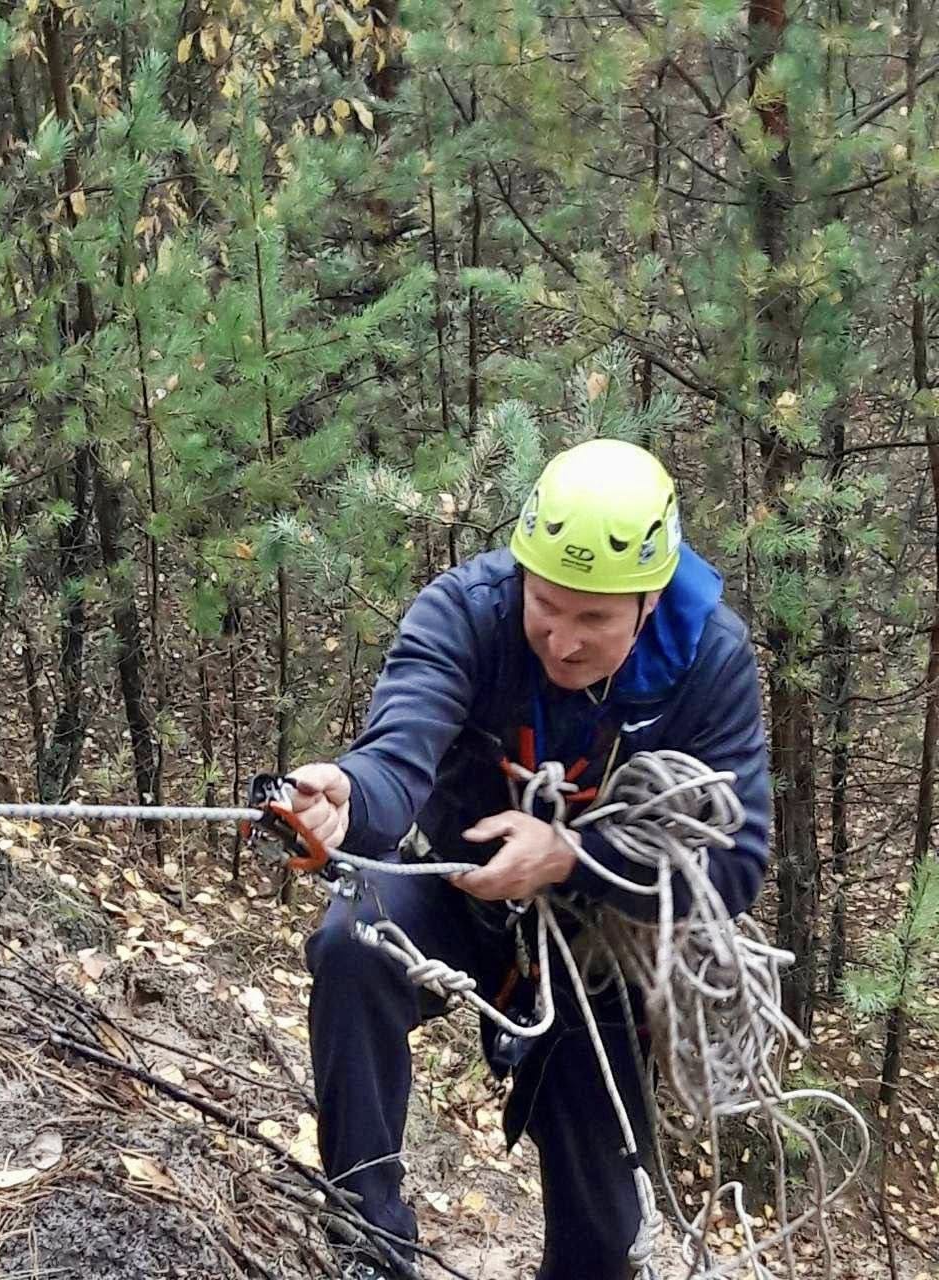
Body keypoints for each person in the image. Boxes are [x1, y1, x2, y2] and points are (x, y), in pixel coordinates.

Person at [285, 439, 770, 1279]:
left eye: (595, 621)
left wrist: (571, 856)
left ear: (650, 601)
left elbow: (736, 863)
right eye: (546, 604)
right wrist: (350, 798)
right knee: (352, 943)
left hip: (601, 943)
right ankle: (369, 1242)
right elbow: (399, 754)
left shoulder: (708, 663)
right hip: (459, 893)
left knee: (601, 1242)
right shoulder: (469, 614)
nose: (562, 640)